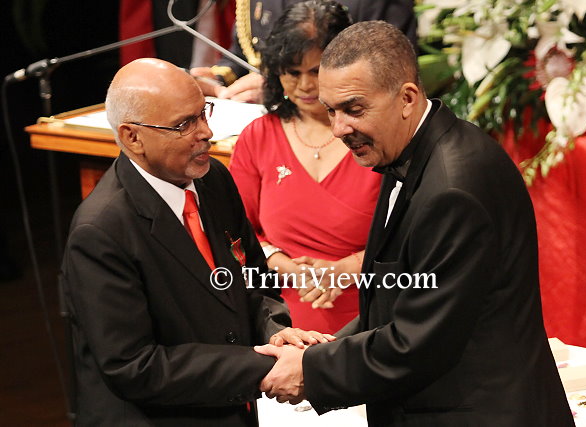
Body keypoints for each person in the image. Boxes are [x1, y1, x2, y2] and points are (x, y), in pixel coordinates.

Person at [254, 21, 576, 426]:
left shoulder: (452, 189)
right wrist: (323, 345)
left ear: (407, 97)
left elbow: (419, 341)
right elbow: (397, 300)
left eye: (354, 109)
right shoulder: (403, 151)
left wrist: (311, 369)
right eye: (331, 110)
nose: (339, 129)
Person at [60, 57, 331, 426]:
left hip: (230, 408)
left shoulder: (213, 178)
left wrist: (278, 333)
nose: (205, 132)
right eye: (183, 125)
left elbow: (253, 281)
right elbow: (134, 366)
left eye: (203, 113)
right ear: (131, 137)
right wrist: (261, 367)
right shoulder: (101, 231)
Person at [229, 0, 381, 334]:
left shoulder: (379, 136)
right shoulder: (258, 137)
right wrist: (283, 265)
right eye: (292, 73)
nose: (305, 86)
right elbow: (235, 231)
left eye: (316, 72)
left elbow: (414, 239)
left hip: (373, 318)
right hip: (278, 323)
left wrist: (344, 269)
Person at [190, 0, 417, 102]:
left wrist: (279, 88)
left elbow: (388, 73)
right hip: (254, 122)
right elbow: (244, 54)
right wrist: (217, 78)